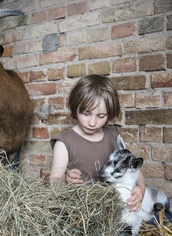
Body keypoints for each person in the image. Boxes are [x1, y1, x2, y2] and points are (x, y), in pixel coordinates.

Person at [49, 74, 145, 212]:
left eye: (101, 116)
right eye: (86, 114)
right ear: (76, 107)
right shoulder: (64, 142)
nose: (92, 123)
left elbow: (135, 171)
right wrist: (65, 179)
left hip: (110, 211)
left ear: (109, 114)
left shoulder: (114, 136)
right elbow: (54, 180)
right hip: (80, 213)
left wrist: (141, 188)